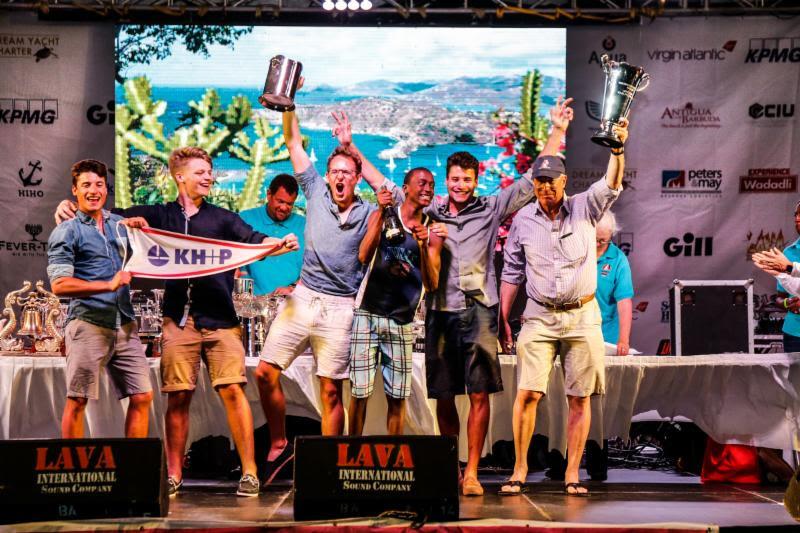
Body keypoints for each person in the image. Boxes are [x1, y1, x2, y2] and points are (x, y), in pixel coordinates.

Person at [54, 147, 299, 498]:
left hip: (220, 321)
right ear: (179, 176)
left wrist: (277, 243)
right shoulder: (158, 215)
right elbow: (103, 215)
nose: (208, 177)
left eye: (210, 172)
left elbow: (254, 240)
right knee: (177, 397)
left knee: (233, 390)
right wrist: (66, 207)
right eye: (201, 172)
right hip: (176, 323)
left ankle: (250, 472)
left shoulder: (223, 218)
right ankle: (173, 473)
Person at [335, 107, 541, 497]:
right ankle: (453, 463)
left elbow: (531, 180)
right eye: (454, 180)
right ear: (447, 182)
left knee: (480, 394)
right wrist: (351, 147)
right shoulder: (432, 209)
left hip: (480, 310)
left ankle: (474, 471)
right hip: (439, 313)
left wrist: (559, 130)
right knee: (444, 395)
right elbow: (389, 188)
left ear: (477, 181)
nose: (460, 185)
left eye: (467, 180)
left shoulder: (492, 208)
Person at [254, 92, 396, 486]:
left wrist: (353, 149)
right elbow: (293, 143)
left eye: (346, 172)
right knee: (265, 373)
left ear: (355, 179)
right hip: (303, 299)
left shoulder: (371, 210)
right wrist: (289, 106)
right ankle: (280, 438)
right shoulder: (315, 191)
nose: (338, 177)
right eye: (334, 170)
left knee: (331, 390)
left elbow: (392, 193)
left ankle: (331, 466)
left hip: (341, 308)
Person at [498, 100, 629, 496]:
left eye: (552, 182)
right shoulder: (522, 220)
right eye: (539, 182)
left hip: (581, 316)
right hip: (538, 317)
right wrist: (504, 317)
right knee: (528, 393)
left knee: (579, 397)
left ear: (564, 182)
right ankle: (519, 469)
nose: (545, 188)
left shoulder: (584, 208)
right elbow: (511, 274)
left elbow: (612, 184)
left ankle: (573, 473)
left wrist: (618, 151)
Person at [47, 159, 153, 439]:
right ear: (75, 190)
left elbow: (152, 250)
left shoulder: (120, 224)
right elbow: (59, 285)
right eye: (86, 185)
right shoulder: (66, 230)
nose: (93, 190)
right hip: (88, 323)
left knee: (142, 396)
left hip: (125, 324)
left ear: (106, 189)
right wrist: (107, 284)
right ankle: (72, 471)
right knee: (78, 400)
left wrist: (141, 229)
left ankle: (132, 472)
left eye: (99, 185)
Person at [349, 167, 447, 436]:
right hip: (367, 312)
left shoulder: (433, 231)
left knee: (398, 395)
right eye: (421, 183)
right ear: (405, 189)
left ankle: (393, 455)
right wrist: (381, 213)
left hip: (402, 320)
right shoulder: (382, 216)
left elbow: (433, 283)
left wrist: (423, 247)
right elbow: (363, 255)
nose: (427, 188)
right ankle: (351, 451)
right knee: (359, 392)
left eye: (431, 184)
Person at [238, 174, 306, 296]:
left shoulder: (304, 225)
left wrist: (293, 288)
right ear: (269, 194)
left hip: (289, 303)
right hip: (249, 303)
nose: (284, 207)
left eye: (290, 204)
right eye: (280, 201)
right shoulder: (244, 218)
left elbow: (314, 268)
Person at [760, 202, 800, 352]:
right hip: (794, 333)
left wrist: (790, 267)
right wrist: (787, 303)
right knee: (795, 376)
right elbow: (779, 297)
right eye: (796, 215)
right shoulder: (789, 253)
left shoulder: (787, 262)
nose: (797, 219)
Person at [595, 210, 634, 355]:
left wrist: (623, 340)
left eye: (602, 240)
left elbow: (624, 301)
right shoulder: (577, 252)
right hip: (577, 332)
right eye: (594, 239)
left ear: (611, 234)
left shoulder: (619, 259)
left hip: (607, 335)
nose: (597, 244)